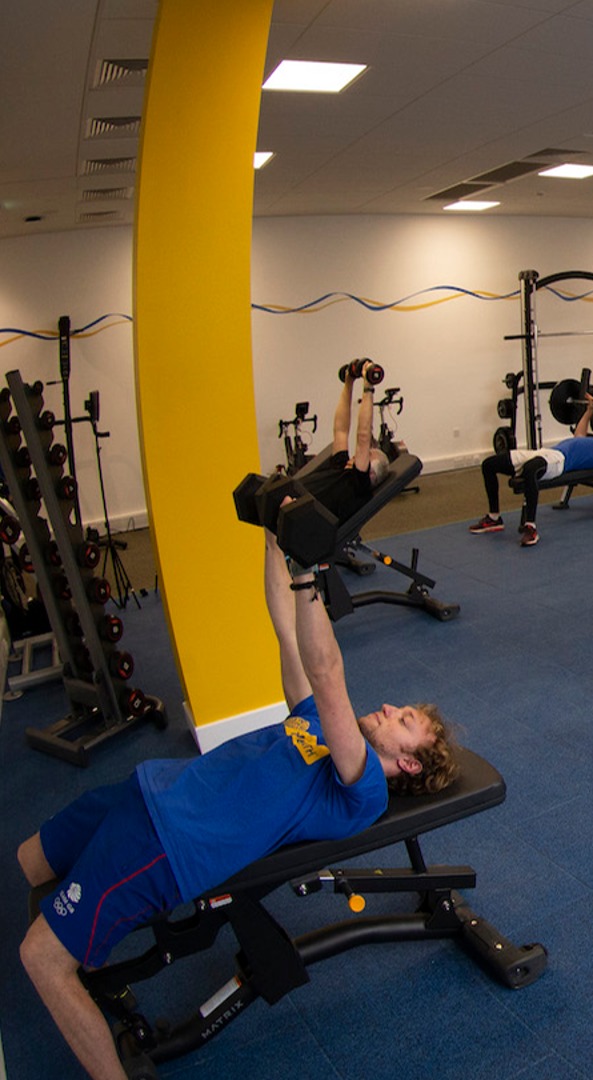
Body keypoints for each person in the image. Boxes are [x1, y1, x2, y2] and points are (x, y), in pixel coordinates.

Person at [16, 531, 456, 1080]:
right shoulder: (318, 722)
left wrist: (307, 574)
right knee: (30, 860)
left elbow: (328, 672)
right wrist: (277, 541)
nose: (390, 707)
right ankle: (89, 948)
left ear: (409, 765)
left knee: (40, 957)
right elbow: (287, 635)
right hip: (152, 788)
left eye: (404, 721)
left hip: (167, 842)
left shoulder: (361, 785)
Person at [469, 390, 593, 547]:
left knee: (530, 469)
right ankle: (494, 518)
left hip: (559, 461)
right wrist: (589, 410)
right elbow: (579, 435)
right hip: (545, 452)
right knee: (489, 465)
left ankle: (530, 527)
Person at [297, 359, 403, 524]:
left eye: (366, 456)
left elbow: (363, 436)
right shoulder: (341, 465)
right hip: (292, 498)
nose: (356, 456)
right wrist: (349, 382)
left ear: (370, 473)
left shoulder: (358, 485)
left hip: (302, 518)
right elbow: (340, 430)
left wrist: (368, 389)